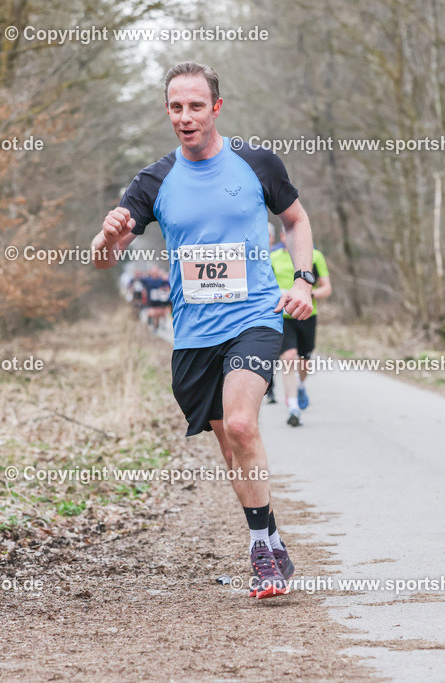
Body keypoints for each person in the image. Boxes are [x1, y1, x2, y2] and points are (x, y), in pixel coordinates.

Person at [91, 61, 317, 599]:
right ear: (167, 111)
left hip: (254, 318)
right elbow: (104, 260)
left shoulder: (255, 163)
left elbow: (297, 221)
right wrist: (106, 236)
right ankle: (269, 538)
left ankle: (261, 554)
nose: (186, 117)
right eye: (176, 107)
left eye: (196, 106)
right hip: (193, 335)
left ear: (216, 108)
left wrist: (303, 281)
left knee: (242, 426)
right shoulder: (152, 181)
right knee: (230, 448)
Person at [268, 224, 332, 425]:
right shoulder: (273, 258)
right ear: (282, 236)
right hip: (283, 317)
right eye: (288, 234)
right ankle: (293, 407)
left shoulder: (315, 256)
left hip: (307, 314)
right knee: (288, 357)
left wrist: (307, 294)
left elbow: (327, 288)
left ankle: (301, 386)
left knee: (304, 361)